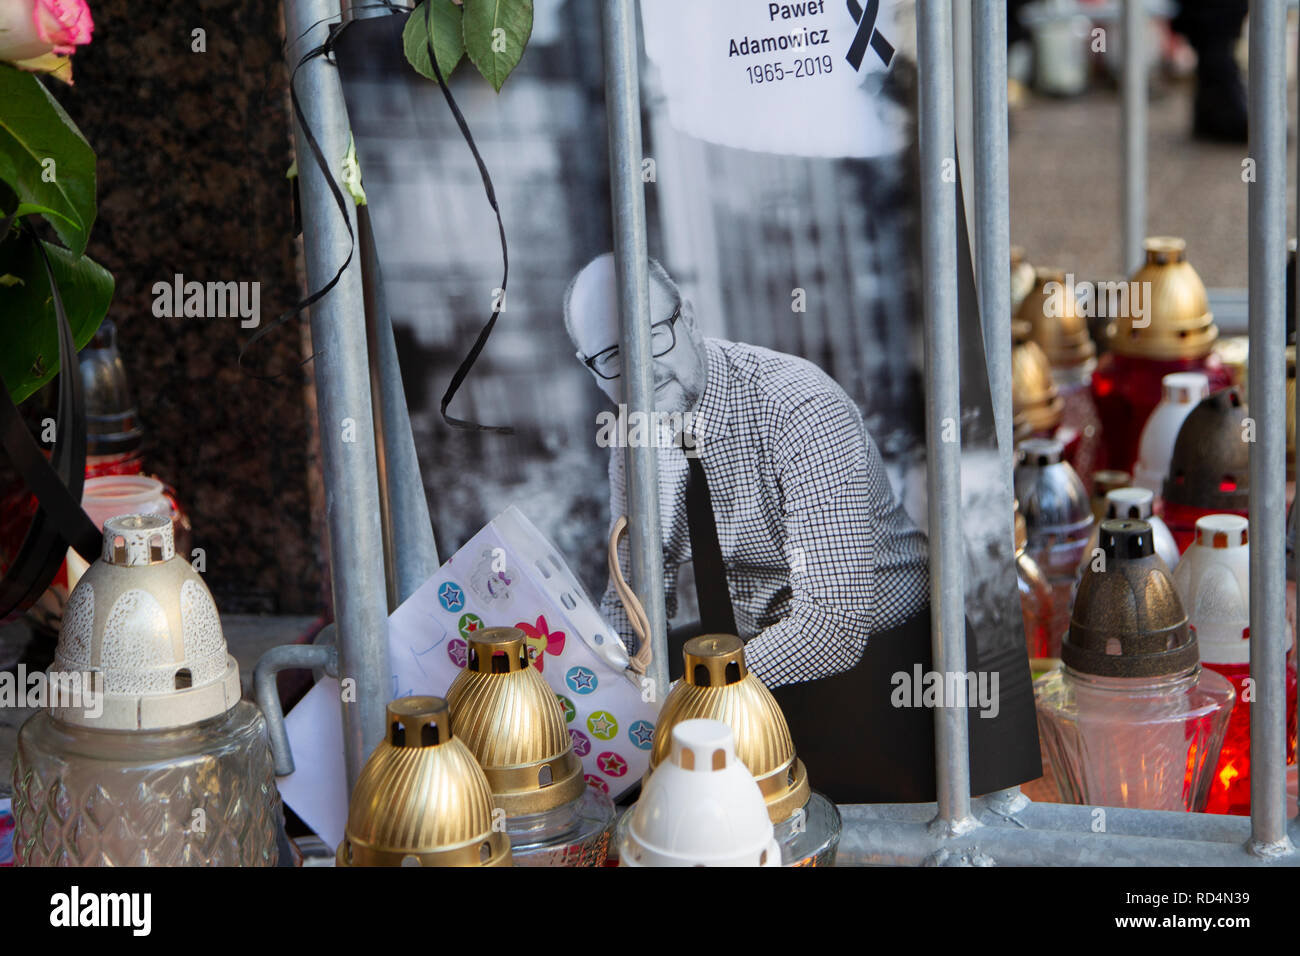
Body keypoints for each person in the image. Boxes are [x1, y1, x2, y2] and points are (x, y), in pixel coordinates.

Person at [563, 253, 1039, 802]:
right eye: (614, 356)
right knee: (627, 777)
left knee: (787, 817)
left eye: (655, 335)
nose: (643, 370)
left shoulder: (796, 406)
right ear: (589, 367)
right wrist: (595, 691)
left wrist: (692, 697)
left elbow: (834, 625)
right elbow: (634, 601)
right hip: (757, 650)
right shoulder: (634, 429)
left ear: (688, 318)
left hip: (890, 657)